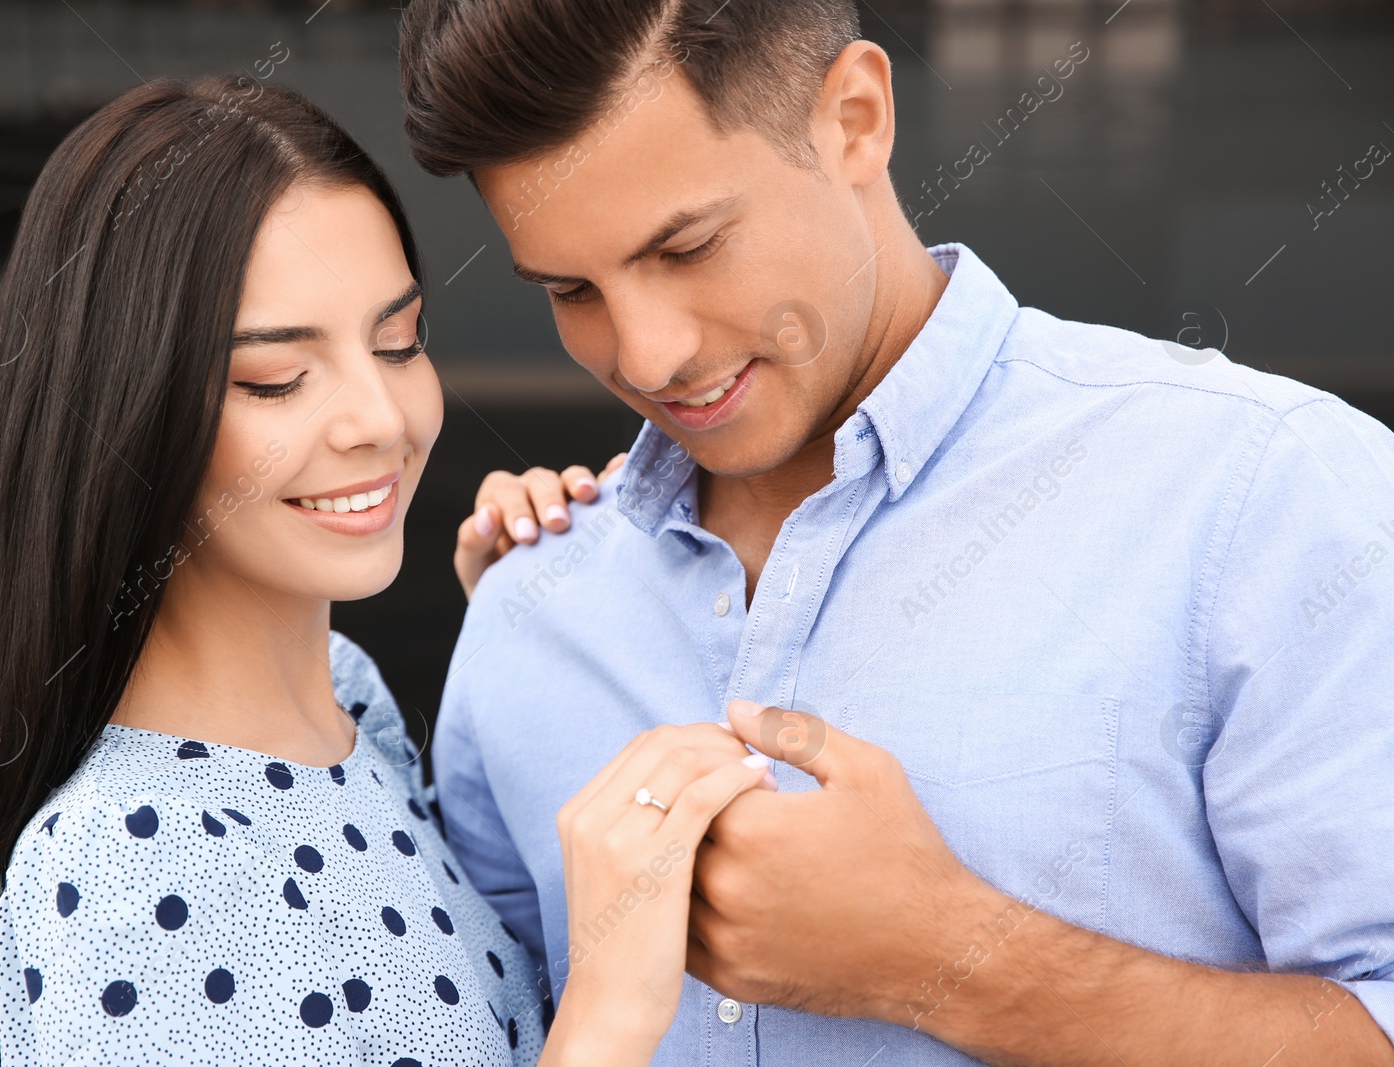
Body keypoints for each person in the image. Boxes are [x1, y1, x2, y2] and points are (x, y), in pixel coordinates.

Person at [401, 1, 1394, 1063]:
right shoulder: (531, 603)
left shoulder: (1263, 491)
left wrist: (942, 956)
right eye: (570, 288)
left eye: (687, 247)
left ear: (856, 116)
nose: (646, 355)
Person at [0, 73, 776, 1067]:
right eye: (277, 378)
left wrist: (524, 620)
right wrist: (608, 1013)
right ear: (124, 418)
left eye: (399, 343)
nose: (381, 419)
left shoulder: (350, 700)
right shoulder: (128, 863)